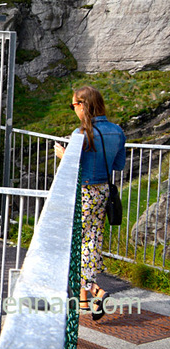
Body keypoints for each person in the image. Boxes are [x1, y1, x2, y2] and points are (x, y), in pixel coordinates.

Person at [54, 86, 125, 320]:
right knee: (91, 242)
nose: (73, 110)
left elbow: (73, 167)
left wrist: (64, 156)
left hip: (83, 192)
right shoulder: (117, 131)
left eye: (74, 105)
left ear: (83, 105)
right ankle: (83, 301)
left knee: (75, 243)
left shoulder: (81, 133)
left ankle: (96, 291)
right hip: (103, 191)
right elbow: (119, 165)